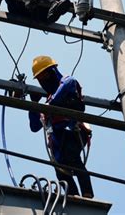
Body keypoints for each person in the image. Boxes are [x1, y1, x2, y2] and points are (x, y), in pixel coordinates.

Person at [28, 55, 94, 198]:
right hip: (58, 140)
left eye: (43, 76)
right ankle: (73, 197)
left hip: (72, 131)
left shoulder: (66, 83)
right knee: (60, 170)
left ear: (52, 71)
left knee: (72, 158)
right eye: (39, 79)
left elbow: (69, 83)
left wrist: (49, 106)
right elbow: (34, 126)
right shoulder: (49, 101)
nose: (42, 82)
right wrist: (33, 105)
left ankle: (87, 193)